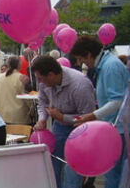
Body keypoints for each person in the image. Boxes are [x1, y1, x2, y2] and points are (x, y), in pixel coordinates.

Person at [70, 36, 129, 188]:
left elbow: (116, 102)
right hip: (114, 127)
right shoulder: (107, 65)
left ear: (89, 54)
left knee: (113, 173)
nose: (83, 63)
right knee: (113, 173)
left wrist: (92, 116)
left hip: (119, 129)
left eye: (82, 59)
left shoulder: (110, 67)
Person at [31, 56, 96, 188]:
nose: (40, 82)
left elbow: (88, 117)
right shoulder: (44, 82)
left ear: (51, 75)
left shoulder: (80, 85)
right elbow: (42, 101)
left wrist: (63, 117)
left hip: (80, 130)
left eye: (41, 78)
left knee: (72, 169)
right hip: (60, 126)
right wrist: (43, 119)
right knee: (53, 162)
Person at [0, 56, 31, 124]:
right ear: (19, 65)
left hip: (1, 115)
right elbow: (26, 98)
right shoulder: (20, 78)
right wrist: (32, 110)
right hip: (18, 117)